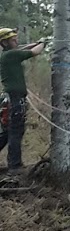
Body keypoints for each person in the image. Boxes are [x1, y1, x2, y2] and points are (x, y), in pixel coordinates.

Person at [0, 27, 46, 170]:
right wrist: (44, 43)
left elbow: (23, 48)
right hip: (14, 99)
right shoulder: (10, 55)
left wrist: (36, 42)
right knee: (15, 131)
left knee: (8, 132)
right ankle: (14, 166)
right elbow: (34, 52)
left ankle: (14, 164)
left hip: (10, 98)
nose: (16, 41)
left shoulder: (8, 54)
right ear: (5, 43)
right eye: (13, 40)